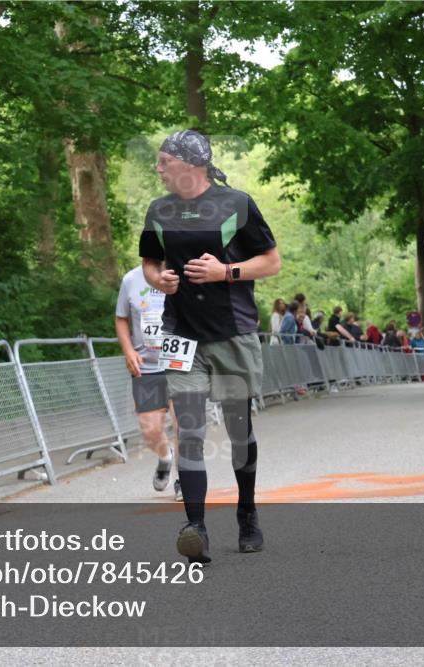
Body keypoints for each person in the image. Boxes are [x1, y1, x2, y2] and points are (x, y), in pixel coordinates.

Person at [140, 129, 281, 563]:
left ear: (189, 165)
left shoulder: (236, 203)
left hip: (233, 333)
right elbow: (149, 263)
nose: (159, 168)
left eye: (164, 161)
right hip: (181, 335)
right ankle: (195, 526)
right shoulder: (158, 210)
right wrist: (157, 279)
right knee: (190, 431)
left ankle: (247, 512)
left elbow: (271, 262)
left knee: (239, 429)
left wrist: (227, 273)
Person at [115, 265, 180, 498]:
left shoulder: (185, 272)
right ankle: (165, 457)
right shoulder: (131, 279)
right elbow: (121, 318)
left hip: (180, 362)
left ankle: (185, 478)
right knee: (151, 431)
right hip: (147, 366)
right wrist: (128, 350)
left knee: (185, 424)